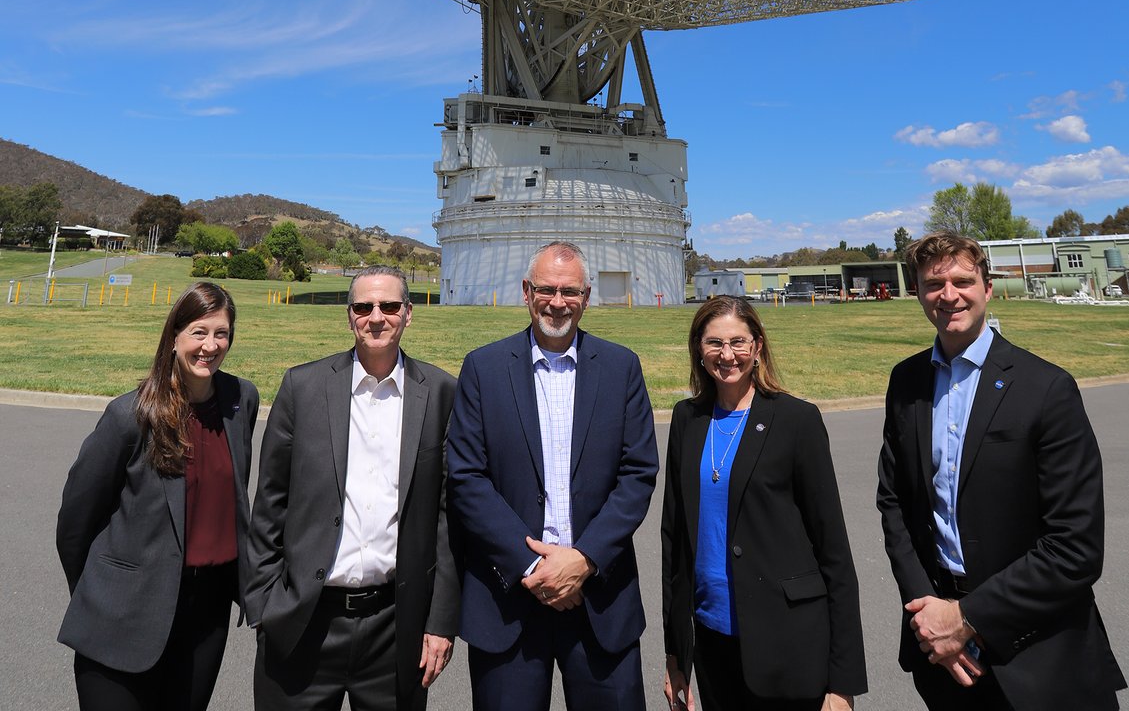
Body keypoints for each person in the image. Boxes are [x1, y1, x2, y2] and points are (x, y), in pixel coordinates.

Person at [877, 231, 1127, 710]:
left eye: (962, 280)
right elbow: (895, 504)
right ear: (918, 294)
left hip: (1040, 655)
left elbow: (1075, 546)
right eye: (933, 284)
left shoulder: (1046, 389)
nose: (948, 295)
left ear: (987, 289)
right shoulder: (906, 382)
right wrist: (928, 614)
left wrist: (968, 617)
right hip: (942, 653)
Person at [447, 240, 659, 711]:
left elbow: (638, 472)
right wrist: (535, 568)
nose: (557, 302)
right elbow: (467, 477)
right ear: (527, 291)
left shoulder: (622, 367)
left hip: (600, 599)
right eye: (546, 289)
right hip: (509, 601)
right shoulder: (483, 368)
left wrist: (582, 560)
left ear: (586, 296)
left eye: (569, 292)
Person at [246, 265, 457, 711]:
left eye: (389, 306)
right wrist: (265, 603)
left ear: (408, 314)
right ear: (349, 316)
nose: (376, 317)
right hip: (303, 621)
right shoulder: (302, 387)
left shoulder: (441, 393)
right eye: (363, 306)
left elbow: (447, 519)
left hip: (394, 628)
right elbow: (270, 504)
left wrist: (440, 622)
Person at [56, 281, 259, 711]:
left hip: (206, 615)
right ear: (174, 339)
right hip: (122, 614)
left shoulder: (241, 401)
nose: (210, 345)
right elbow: (76, 522)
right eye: (199, 332)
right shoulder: (130, 416)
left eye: (221, 333)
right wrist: (100, 593)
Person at [661, 295, 865, 711]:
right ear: (698, 349)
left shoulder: (796, 420)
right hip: (713, 640)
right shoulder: (687, 419)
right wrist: (676, 656)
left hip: (788, 641)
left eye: (738, 342)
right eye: (714, 343)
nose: (727, 354)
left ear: (757, 347)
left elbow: (834, 554)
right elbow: (675, 543)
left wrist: (842, 683)